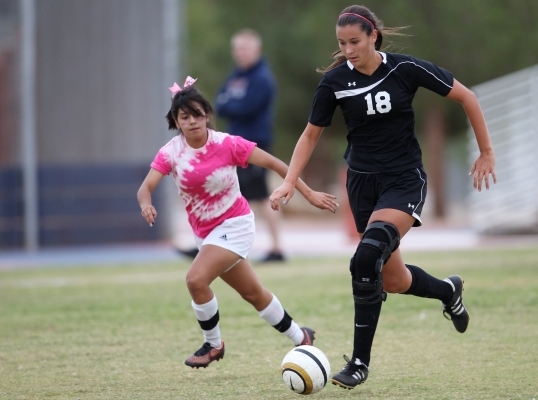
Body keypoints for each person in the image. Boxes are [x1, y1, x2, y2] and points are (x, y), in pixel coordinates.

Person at [269, 5, 496, 390]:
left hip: (404, 180)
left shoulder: (405, 69)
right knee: (392, 279)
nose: (348, 50)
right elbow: (310, 135)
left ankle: (359, 363)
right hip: (362, 185)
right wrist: (291, 181)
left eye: (354, 42)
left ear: (373, 35)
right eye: (341, 43)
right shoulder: (335, 81)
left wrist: (486, 151)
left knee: (366, 259)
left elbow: (468, 98)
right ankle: (448, 291)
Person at [137, 77, 338, 369]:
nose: (192, 121)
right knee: (253, 293)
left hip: (235, 225)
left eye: (197, 114)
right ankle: (301, 336)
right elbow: (145, 188)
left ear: (207, 115)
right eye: (184, 117)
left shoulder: (228, 144)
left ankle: (213, 344)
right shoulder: (171, 152)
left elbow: (276, 164)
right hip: (205, 234)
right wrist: (146, 204)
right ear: (176, 121)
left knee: (195, 279)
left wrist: (306, 193)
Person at [216, 28, 285, 263]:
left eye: (244, 48)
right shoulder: (236, 76)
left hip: (255, 143)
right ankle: (218, 244)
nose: (240, 53)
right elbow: (220, 103)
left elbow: (245, 108)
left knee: (261, 195)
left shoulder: (262, 78)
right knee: (233, 194)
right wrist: (233, 104)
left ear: (256, 50)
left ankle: (276, 248)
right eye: (236, 49)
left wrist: (232, 104)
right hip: (233, 144)